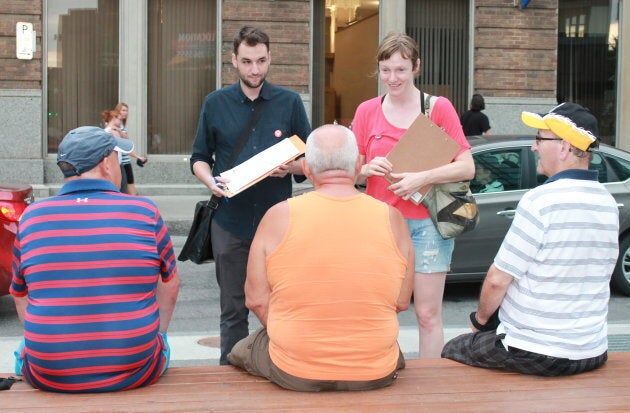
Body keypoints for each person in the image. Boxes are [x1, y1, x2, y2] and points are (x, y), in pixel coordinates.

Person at [227, 124, 414, 391]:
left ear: (306, 169)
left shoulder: (278, 216)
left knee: (240, 349)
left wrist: (298, 332)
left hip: (295, 369)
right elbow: (401, 301)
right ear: (359, 163)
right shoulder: (392, 218)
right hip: (374, 369)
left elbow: (256, 299)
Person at [441, 102, 619, 376]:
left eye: (539, 139)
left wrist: (480, 321)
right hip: (593, 350)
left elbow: (498, 279)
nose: (534, 146)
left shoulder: (540, 200)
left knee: (453, 349)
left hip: (537, 350)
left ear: (564, 147)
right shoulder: (607, 202)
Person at [10, 126, 181, 392]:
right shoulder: (144, 212)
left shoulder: (32, 217)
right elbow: (170, 284)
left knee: (22, 350)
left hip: (48, 374)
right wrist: (159, 336)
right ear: (106, 163)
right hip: (136, 369)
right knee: (159, 338)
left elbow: (20, 294)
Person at [189, 26, 311, 365]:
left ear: (270, 58)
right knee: (233, 309)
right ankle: (231, 378)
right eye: (246, 61)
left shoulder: (289, 102)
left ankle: (285, 366)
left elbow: (311, 160)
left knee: (282, 305)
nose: (254, 69)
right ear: (234, 61)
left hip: (279, 224)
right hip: (230, 221)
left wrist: (292, 169)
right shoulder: (215, 103)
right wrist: (209, 181)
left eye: (260, 61)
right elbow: (199, 157)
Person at [351, 32, 475, 358]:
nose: (393, 78)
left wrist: (423, 177)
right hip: (381, 224)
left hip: (427, 226)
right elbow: (350, 170)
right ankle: (381, 372)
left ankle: (431, 390)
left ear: (416, 67)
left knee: (428, 314)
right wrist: (365, 169)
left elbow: (467, 167)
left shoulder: (437, 109)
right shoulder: (367, 111)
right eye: (386, 70)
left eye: (401, 70)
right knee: (383, 312)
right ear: (378, 70)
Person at [114, 102, 148, 196]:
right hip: (120, 162)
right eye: (123, 110)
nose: (125, 113)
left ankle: (133, 201)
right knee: (127, 184)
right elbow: (124, 144)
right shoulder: (116, 126)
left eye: (126, 111)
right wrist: (138, 156)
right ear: (118, 111)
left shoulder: (120, 126)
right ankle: (134, 202)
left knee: (129, 183)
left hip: (125, 160)